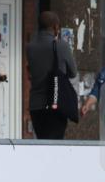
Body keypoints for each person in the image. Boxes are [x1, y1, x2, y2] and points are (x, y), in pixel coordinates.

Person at [26, 10, 78, 140]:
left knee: (41, 142)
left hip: (36, 105)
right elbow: (73, 72)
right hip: (56, 103)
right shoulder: (61, 46)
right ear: (55, 27)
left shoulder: (30, 47)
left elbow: (31, 72)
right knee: (55, 143)